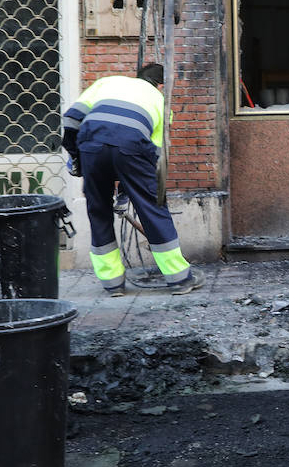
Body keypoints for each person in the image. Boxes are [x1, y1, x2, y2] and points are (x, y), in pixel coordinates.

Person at [61, 63, 203, 296]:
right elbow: (153, 156)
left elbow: (71, 120)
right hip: (131, 146)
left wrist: (76, 158)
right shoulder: (161, 102)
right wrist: (132, 191)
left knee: (98, 211)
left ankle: (112, 283)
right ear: (160, 85)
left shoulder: (107, 83)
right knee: (153, 209)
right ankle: (179, 279)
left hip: (91, 146)